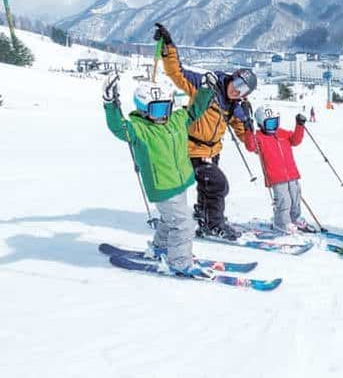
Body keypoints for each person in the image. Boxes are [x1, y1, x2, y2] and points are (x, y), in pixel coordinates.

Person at [102, 72, 214, 274]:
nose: (163, 114)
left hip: (181, 182)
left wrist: (206, 90)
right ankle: (179, 261)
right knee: (183, 224)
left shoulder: (176, 120)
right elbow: (118, 127)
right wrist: (110, 102)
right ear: (144, 109)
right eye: (157, 109)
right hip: (162, 186)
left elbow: (194, 110)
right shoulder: (138, 129)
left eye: (166, 107)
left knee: (169, 219)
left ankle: (161, 247)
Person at [154, 23, 256, 241]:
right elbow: (176, 72)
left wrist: (249, 125)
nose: (237, 89)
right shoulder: (206, 86)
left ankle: (204, 215)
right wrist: (168, 47)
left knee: (208, 187)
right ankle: (213, 224)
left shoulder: (235, 105)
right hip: (192, 148)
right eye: (237, 82)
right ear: (233, 76)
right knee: (218, 184)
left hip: (213, 151)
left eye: (243, 89)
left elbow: (248, 142)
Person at [244, 107, 310, 232]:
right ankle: (282, 223)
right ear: (260, 123)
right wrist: (248, 130)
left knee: (295, 198)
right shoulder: (259, 137)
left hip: (292, 173)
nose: (272, 127)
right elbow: (251, 146)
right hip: (276, 176)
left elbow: (295, 140)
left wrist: (299, 126)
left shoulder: (282, 133)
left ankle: (294, 218)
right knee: (284, 201)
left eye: (275, 122)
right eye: (269, 124)